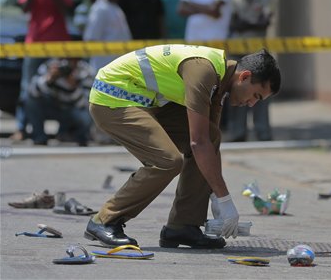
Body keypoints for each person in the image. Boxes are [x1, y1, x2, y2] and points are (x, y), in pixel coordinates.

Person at [84, 45, 280, 248]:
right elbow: (198, 142)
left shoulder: (221, 81)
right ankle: (105, 219)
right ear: (245, 76)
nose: (251, 104)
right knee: (168, 161)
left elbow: (207, 139)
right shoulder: (203, 70)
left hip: (146, 101)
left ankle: (183, 226)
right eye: (256, 96)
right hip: (113, 97)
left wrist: (215, 192)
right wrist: (224, 198)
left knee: (211, 137)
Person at [12, 0, 73, 142]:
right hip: (35, 43)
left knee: (62, 86)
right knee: (27, 88)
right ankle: (22, 127)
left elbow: (66, 10)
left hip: (58, 44)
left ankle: (64, 129)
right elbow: (24, 7)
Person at [228, 0, 274, 141]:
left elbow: (264, 22)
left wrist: (245, 24)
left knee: (261, 90)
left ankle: (263, 131)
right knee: (237, 89)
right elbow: (233, 24)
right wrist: (251, 23)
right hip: (239, 51)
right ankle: (238, 132)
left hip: (258, 53)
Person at [25, 58, 94, 146]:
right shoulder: (50, 66)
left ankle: (78, 136)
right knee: (30, 101)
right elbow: (32, 92)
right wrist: (49, 78)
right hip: (53, 107)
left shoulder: (85, 71)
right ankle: (39, 137)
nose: (67, 66)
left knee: (86, 116)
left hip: (72, 110)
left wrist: (72, 86)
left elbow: (84, 104)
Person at [84, 0, 132, 71]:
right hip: (104, 68)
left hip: (118, 67)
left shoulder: (115, 8)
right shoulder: (100, 9)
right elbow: (91, 39)